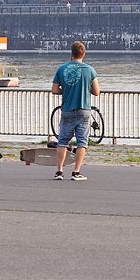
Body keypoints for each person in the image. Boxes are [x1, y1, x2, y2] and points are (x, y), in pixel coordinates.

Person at [50, 41, 99, 181]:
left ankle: (59, 171)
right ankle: (76, 172)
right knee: (82, 142)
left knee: (63, 141)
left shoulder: (61, 69)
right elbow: (96, 91)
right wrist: (84, 89)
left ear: (71, 53)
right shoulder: (90, 70)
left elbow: (54, 90)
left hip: (67, 109)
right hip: (84, 110)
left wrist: (66, 90)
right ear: (84, 54)